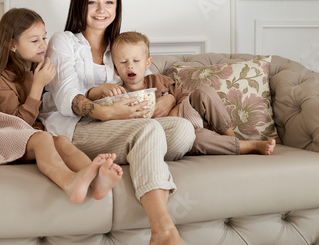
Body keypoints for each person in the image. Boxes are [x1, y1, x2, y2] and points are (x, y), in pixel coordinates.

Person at [42, 0, 206, 245]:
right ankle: (163, 231)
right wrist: (102, 104)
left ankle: (136, 153)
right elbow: (65, 99)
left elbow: (143, 81)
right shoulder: (64, 42)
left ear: (117, 7)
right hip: (75, 129)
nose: (101, 9)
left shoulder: (117, 48)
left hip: (119, 127)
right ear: (80, 4)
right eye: (92, 2)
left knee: (182, 130)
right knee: (148, 132)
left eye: (109, 2)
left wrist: (165, 99)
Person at [0, 7, 123, 205]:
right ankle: (68, 182)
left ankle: (97, 178)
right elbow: (17, 124)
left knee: (62, 141)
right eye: (34, 40)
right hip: (0, 136)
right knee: (42, 139)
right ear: (12, 44)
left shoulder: (35, 68)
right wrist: (38, 85)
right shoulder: (0, 80)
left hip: (25, 137)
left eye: (44, 38)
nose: (42, 45)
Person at [105, 31, 277, 155]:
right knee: (198, 140)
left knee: (203, 92)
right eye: (123, 62)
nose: (130, 66)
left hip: (185, 114)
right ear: (115, 67)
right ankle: (245, 147)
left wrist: (172, 101)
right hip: (175, 135)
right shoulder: (119, 95)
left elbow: (185, 96)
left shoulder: (159, 81)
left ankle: (232, 137)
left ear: (148, 62)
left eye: (136, 60)